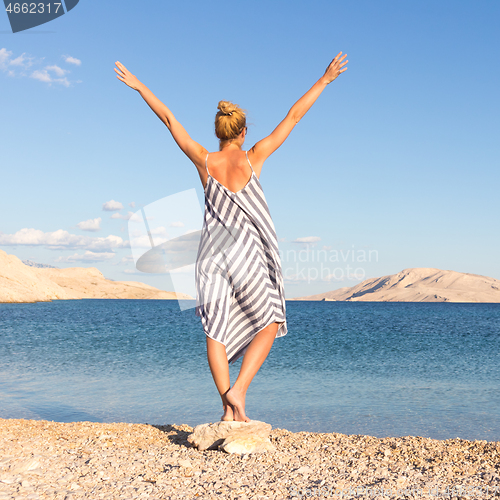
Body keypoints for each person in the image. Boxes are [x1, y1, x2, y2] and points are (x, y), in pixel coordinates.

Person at [114, 52, 348, 422]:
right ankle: (238, 391)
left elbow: (169, 119)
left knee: (215, 330)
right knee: (271, 320)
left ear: (218, 133)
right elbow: (294, 116)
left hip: (210, 257)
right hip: (246, 255)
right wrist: (324, 80)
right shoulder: (254, 157)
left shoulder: (204, 161)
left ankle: (227, 410)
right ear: (242, 132)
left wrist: (140, 86)